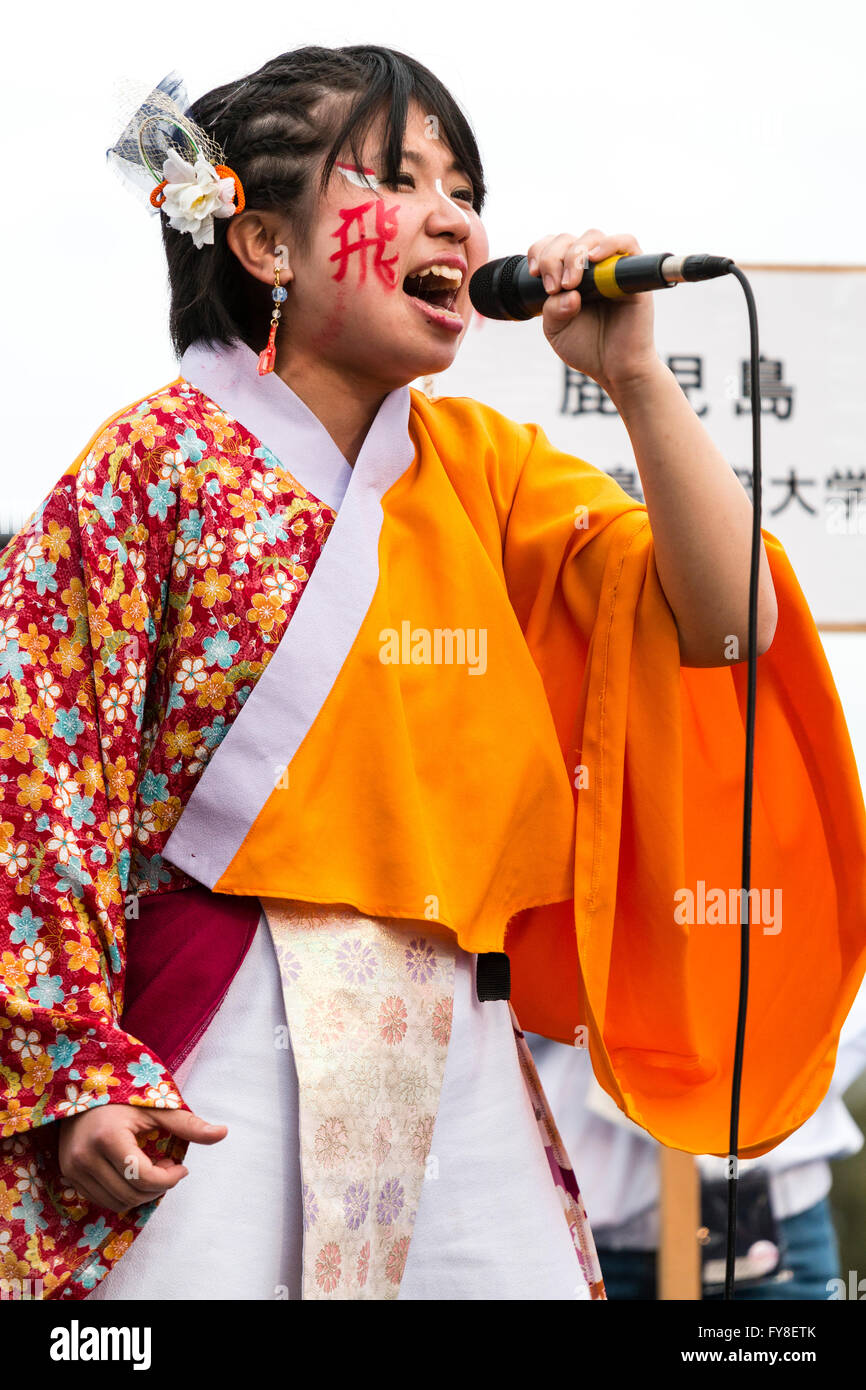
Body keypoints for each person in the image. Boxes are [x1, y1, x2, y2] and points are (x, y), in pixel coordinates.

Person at [1, 45, 864, 1303]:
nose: (455, 216)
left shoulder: (483, 469)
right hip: (215, 1022)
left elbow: (728, 624)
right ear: (263, 244)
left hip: (458, 1027)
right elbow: (39, 780)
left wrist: (634, 381)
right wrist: (77, 1066)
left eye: (463, 186)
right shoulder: (151, 462)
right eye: (399, 179)